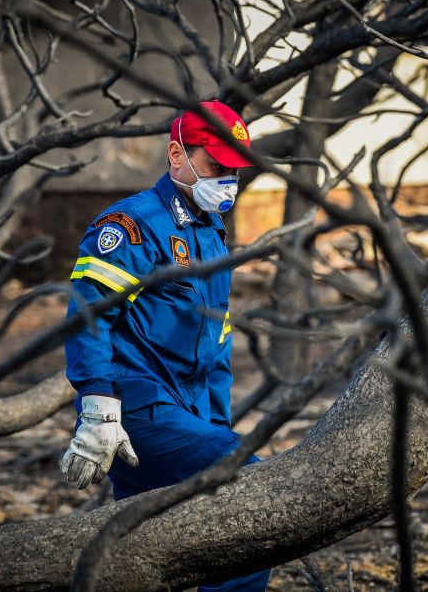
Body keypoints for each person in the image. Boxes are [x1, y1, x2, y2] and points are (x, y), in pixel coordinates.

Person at [59, 100, 270, 591]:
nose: (229, 180)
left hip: (187, 411)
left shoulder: (212, 236)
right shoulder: (131, 225)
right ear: (177, 155)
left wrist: (215, 426)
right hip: (135, 408)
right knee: (246, 489)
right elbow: (87, 317)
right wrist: (97, 407)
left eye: (236, 170)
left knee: (149, 554)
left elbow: (217, 345)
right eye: (218, 165)